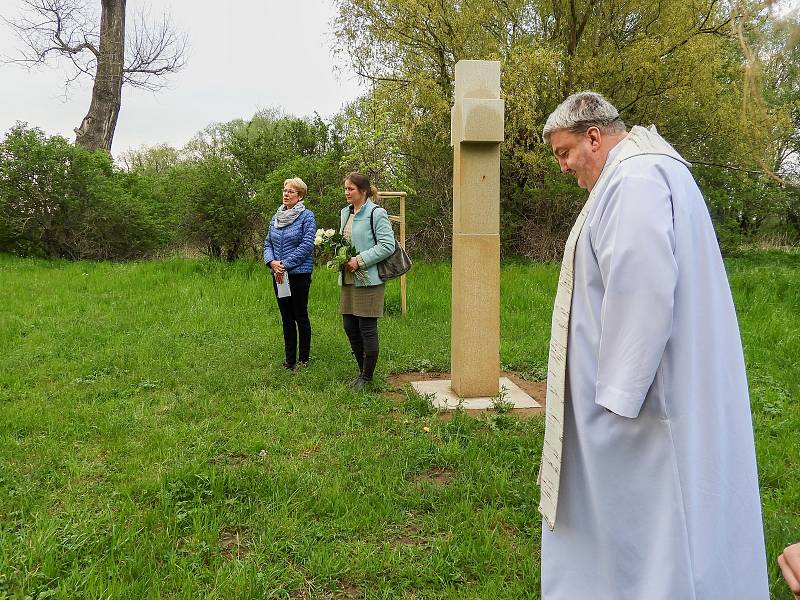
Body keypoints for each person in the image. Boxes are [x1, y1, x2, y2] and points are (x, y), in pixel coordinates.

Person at [538, 91, 769, 599]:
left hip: (642, 413)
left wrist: (615, 402)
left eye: (564, 152)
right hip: (665, 394)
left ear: (594, 137)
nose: (562, 166)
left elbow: (641, 287)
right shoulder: (650, 170)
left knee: (657, 538)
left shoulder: (634, 180)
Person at [338, 172, 395, 390]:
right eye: (345, 189)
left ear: (363, 191)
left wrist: (359, 260)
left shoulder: (376, 213)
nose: (346, 193)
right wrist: (338, 255)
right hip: (348, 278)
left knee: (366, 327)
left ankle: (367, 377)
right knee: (349, 325)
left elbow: (387, 245)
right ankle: (361, 371)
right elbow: (345, 241)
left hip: (368, 279)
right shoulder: (345, 213)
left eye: (350, 189)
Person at [263, 177, 316, 370]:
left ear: (300, 196)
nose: (286, 194)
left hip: (299, 274)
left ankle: (304, 360)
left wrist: (284, 265)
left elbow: (306, 245)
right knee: (286, 317)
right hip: (278, 275)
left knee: (300, 316)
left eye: (291, 191)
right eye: (284, 190)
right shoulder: (276, 217)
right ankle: (289, 360)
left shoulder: (307, 216)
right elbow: (268, 243)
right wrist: (272, 263)